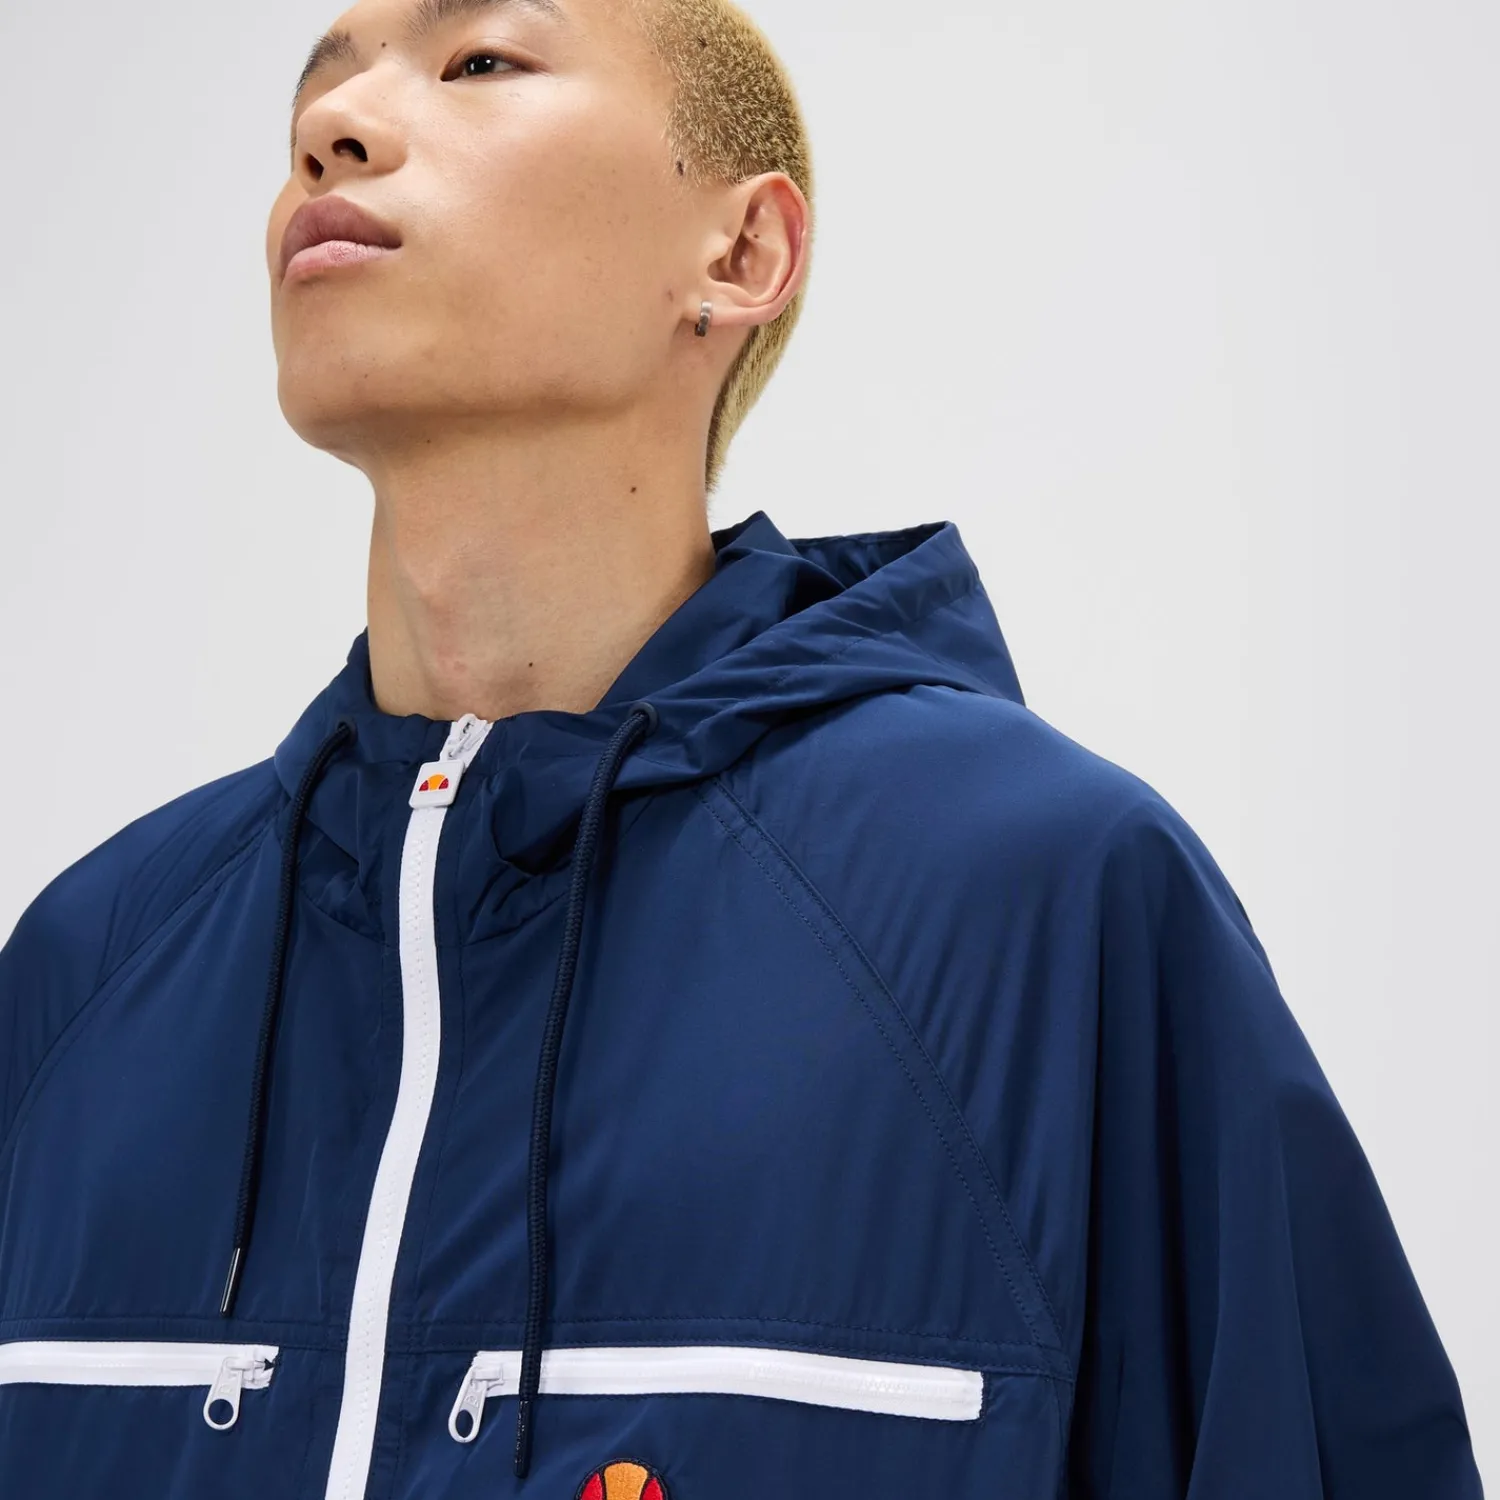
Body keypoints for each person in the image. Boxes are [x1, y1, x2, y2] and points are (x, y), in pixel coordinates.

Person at [0, 0, 1483, 1493]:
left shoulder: (1044, 908)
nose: (335, 130)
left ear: (742, 253)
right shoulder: (85, 970)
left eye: (480, 61)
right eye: (311, 109)